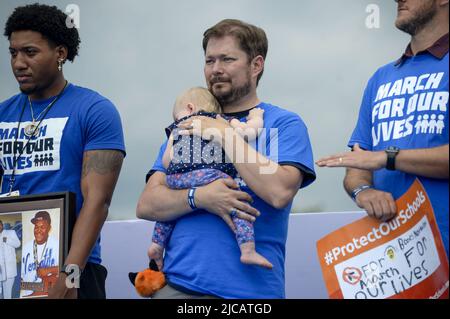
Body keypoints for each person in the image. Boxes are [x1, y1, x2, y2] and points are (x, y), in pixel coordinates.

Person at [137, 19, 316, 298]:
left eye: (227, 59)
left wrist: (225, 134)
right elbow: (147, 204)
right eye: (209, 61)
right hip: (177, 288)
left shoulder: (283, 124)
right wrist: (200, 197)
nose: (216, 69)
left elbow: (279, 191)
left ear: (256, 65)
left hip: (250, 295)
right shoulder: (187, 124)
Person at [0, 4, 126, 298]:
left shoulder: (95, 111)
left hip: (73, 266)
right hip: (11, 262)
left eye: (30, 52)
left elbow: (98, 202)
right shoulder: (3, 113)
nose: (18, 62)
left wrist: (69, 276)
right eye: (13, 52)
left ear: (60, 53)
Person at [317, 0, 449, 258]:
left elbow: (374, 157)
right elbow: (358, 164)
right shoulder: (381, 77)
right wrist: (363, 191)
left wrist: (388, 157)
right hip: (397, 263)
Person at [148, 86, 272, 271]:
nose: (177, 120)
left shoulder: (177, 129)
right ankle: (248, 249)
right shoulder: (221, 122)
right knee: (235, 201)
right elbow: (249, 132)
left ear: (190, 108)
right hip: (211, 176)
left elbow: (167, 161)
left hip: (176, 180)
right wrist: (256, 117)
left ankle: (157, 245)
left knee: (171, 210)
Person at [20, 211, 59, 298]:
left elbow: (72, 271)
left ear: (49, 228)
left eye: (42, 227)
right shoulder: (26, 248)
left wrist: (49, 270)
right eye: (36, 227)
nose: (38, 230)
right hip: (29, 295)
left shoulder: (57, 244)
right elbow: (21, 278)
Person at [0, 220, 21, 299]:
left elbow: (18, 244)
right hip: (0, 269)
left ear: (2, 225)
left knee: (7, 292)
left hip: (9, 269)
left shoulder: (11, 232)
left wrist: (7, 240)